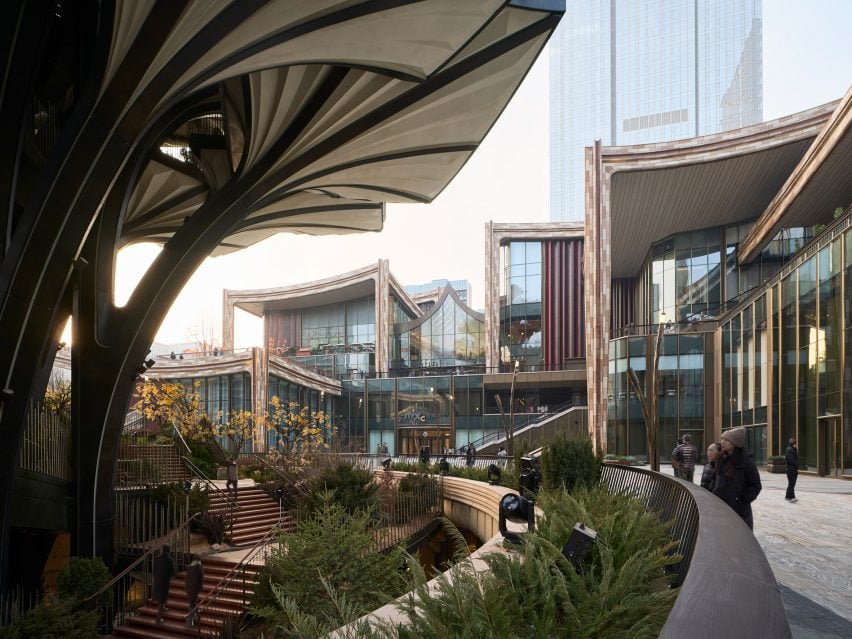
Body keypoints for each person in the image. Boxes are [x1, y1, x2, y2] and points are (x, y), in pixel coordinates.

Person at [713, 427, 762, 530]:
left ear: (735, 443)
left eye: (726, 440)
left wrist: (741, 500)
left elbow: (756, 485)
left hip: (739, 512)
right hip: (721, 509)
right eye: (722, 439)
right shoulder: (721, 459)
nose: (722, 442)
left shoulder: (746, 461)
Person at [153, 544, 176, 623]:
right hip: (165, 582)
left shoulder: (157, 558)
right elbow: (172, 572)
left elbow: (154, 570)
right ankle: (158, 619)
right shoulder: (170, 560)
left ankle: (163, 608)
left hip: (157, 581)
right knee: (162, 600)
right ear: (169, 550)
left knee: (161, 598)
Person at [184, 558, 204, 626]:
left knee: (196, 602)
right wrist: (200, 588)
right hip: (194, 589)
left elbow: (186, 579)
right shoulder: (199, 567)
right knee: (192, 605)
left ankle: (196, 617)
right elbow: (201, 579)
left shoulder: (190, 567)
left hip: (189, 588)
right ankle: (189, 622)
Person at [785, 438, 799, 502]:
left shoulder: (791, 449)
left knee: (791, 483)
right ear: (793, 443)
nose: (796, 445)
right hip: (791, 470)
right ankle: (791, 497)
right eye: (795, 443)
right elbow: (791, 460)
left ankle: (788, 496)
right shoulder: (790, 450)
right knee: (792, 483)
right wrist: (796, 464)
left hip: (792, 469)